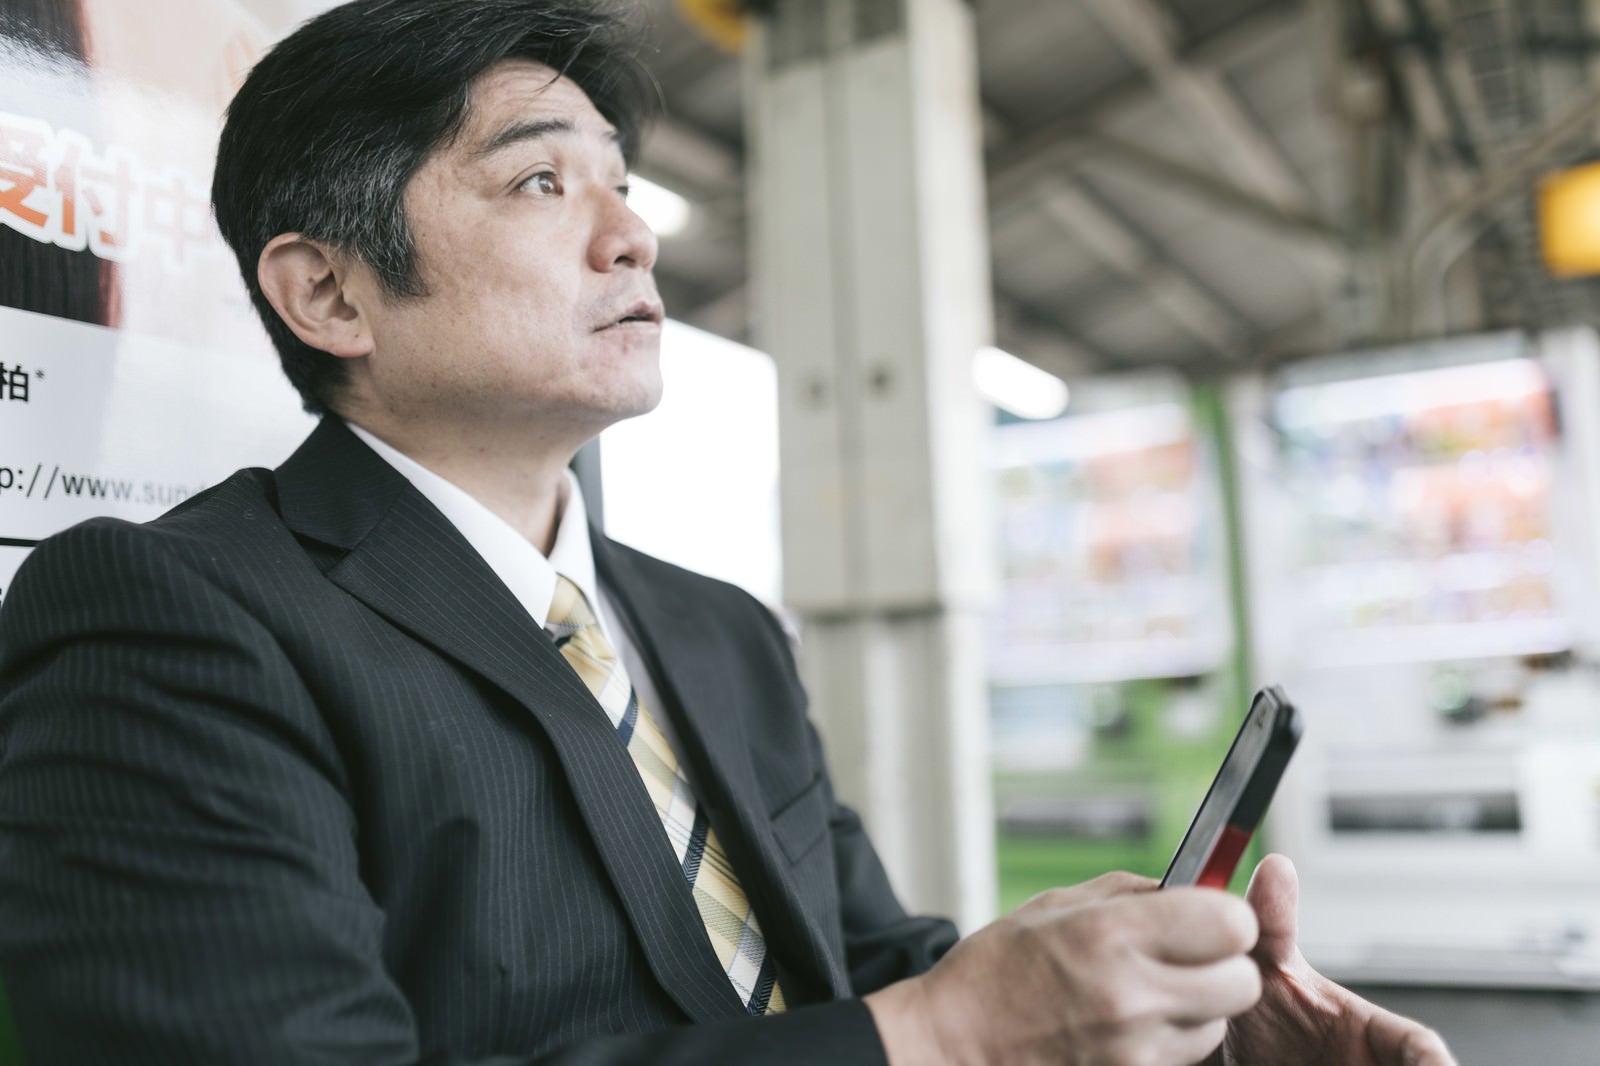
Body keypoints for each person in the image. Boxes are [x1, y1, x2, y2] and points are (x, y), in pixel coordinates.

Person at [0, 2, 1458, 1063]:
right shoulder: (171, 618)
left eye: (622, 182)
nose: (632, 233)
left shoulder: (716, 630)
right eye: (538, 181)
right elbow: (908, 1025)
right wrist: (946, 1031)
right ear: (330, 296)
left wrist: (1149, 1019)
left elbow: (874, 969)